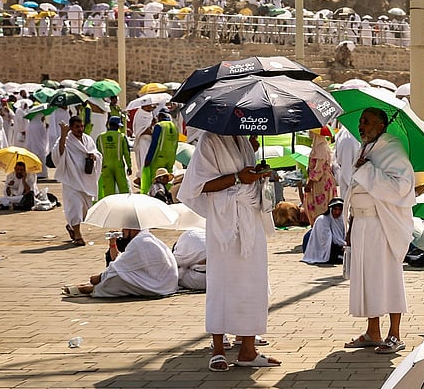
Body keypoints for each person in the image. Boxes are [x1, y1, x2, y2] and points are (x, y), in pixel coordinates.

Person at [179, 131, 280, 373]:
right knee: (222, 283)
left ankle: (248, 348)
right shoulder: (209, 140)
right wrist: (237, 177)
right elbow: (198, 185)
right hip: (224, 223)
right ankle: (218, 349)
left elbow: (247, 177)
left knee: (253, 282)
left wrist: (258, 170)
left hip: (250, 219)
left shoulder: (244, 140)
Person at [344, 107, 415, 355]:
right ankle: (372, 330)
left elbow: (402, 188)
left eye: (367, 122)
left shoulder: (392, 149)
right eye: (360, 122)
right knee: (367, 278)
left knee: (388, 277)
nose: (361, 126)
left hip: (383, 225)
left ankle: (394, 333)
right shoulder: (365, 148)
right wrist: (351, 223)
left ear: (381, 125)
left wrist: (368, 170)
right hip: (362, 224)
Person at [60, 227, 177, 299]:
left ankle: (92, 289)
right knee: (117, 273)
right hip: (163, 283)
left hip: (160, 286)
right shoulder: (144, 238)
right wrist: (113, 242)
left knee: (116, 277)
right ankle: (91, 286)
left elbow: (118, 267)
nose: (122, 231)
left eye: (125, 228)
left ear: (133, 229)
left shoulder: (141, 242)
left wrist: (99, 278)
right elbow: (120, 260)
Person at [51, 116, 100, 247]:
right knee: (75, 208)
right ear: (71, 128)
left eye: (81, 126)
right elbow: (59, 155)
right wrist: (63, 135)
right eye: (77, 127)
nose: (80, 129)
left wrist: (93, 156)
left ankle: (72, 227)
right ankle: (78, 236)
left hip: (86, 180)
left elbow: (97, 153)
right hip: (71, 180)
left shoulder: (87, 139)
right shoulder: (65, 140)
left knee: (85, 211)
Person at [302, 129, 337, 223]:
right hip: (322, 181)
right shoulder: (318, 147)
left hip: (321, 183)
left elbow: (318, 170)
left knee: (320, 208)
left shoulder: (320, 148)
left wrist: (310, 183)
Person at [302, 196, 346, 265]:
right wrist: (342, 245)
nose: (337, 212)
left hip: (338, 247)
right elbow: (325, 240)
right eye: (335, 209)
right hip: (322, 249)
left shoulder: (342, 220)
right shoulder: (322, 220)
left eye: (340, 209)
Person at [142, 112, 178, 194]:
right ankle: (168, 196)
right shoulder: (175, 126)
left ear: (160, 117)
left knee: (156, 179)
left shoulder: (160, 126)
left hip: (159, 158)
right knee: (167, 179)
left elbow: (154, 143)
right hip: (171, 158)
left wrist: (148, 159)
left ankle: (157, 197)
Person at [95, 115, 131, 199]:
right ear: (117, 125)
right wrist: (129, 166)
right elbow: (126, 153)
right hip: (119, 166)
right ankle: (124, 207)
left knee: (108, 191)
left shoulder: (100, 137)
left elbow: (97, 153)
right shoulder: (121, 136)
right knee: (123, 190)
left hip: (105, 166)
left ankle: (110, 208)